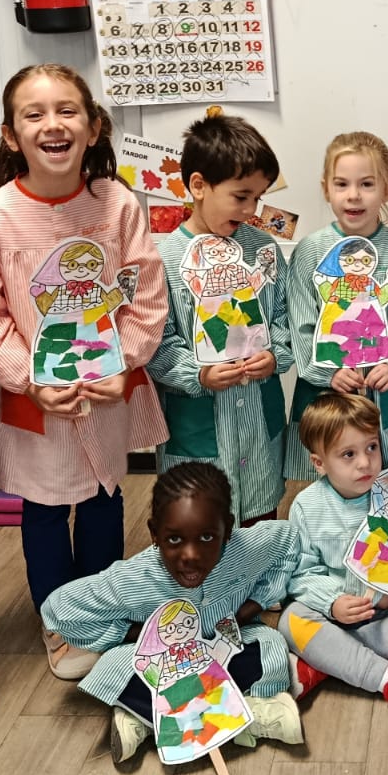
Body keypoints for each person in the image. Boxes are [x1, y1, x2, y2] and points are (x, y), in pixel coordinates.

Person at [0, 64, 168, 680]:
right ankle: (60, 620)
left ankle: (103, 610)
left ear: (93, 126)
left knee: (106, 495)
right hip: (37, 397)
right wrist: (30, 380)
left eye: (67, 110)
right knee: (46, 507)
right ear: (11, 135)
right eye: (34, 114)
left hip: (106, 387)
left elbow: (146, 297)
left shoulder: (118, 205)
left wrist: (123, 361)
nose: (52, 124)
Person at [41, 463, 305, 764]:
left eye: (207, 538)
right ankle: (240, 715)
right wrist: (136, 634)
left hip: (224, 647)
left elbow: (288, 541)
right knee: (113, 666)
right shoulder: (135, 578)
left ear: (228, 528)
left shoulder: (247, 549)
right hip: (163, 666)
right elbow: (58, 609)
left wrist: (252, 607)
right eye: (175, 540)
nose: (191, 556)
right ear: (154, 534)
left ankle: (155, 721)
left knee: (272, 644)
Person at [149, 112, 292, 525]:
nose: (250, 210)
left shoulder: (263, 250)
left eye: (258, 198)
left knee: (261, 526)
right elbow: (157, 342)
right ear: (198, 185)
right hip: (197, 433)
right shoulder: (163, 260)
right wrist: (199, 374)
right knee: (201, 528)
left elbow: (283, 315)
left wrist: (275, 356)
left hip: (258, 425)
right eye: (240, 196)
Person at [278, 393, 388, 710]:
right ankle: (384, 676)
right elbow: (301, 574)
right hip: (331, 615)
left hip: (385, 613)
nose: (365, 462)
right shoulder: (306, 506)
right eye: (348, 454)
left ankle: (323, 662)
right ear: (319, 463)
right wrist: (333, 602)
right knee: (290, 621)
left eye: (372, 447)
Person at [286, 132, 388, 477]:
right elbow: (301, 324)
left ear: (387, 189)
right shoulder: (310, 252)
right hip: (328, 392)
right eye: (342, 184)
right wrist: (329, 371)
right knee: (327, 479)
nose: (353, 195)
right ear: (326, 189)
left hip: (387, 392)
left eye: (366, 184)